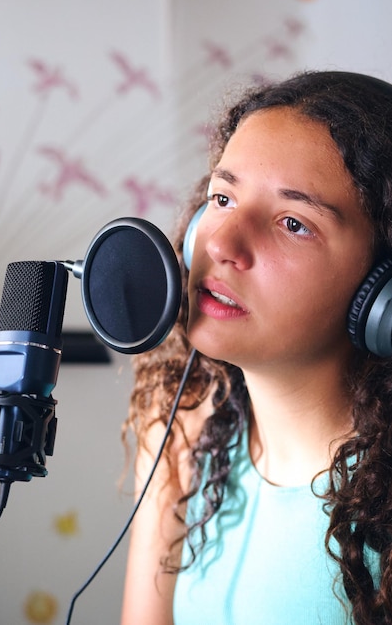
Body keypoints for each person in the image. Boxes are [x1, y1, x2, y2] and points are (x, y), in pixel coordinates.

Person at [120, 70, 392, 625]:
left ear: (381, 290)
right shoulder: (179, 429)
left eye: (293, 222)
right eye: (222, 197)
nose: (220, 242)